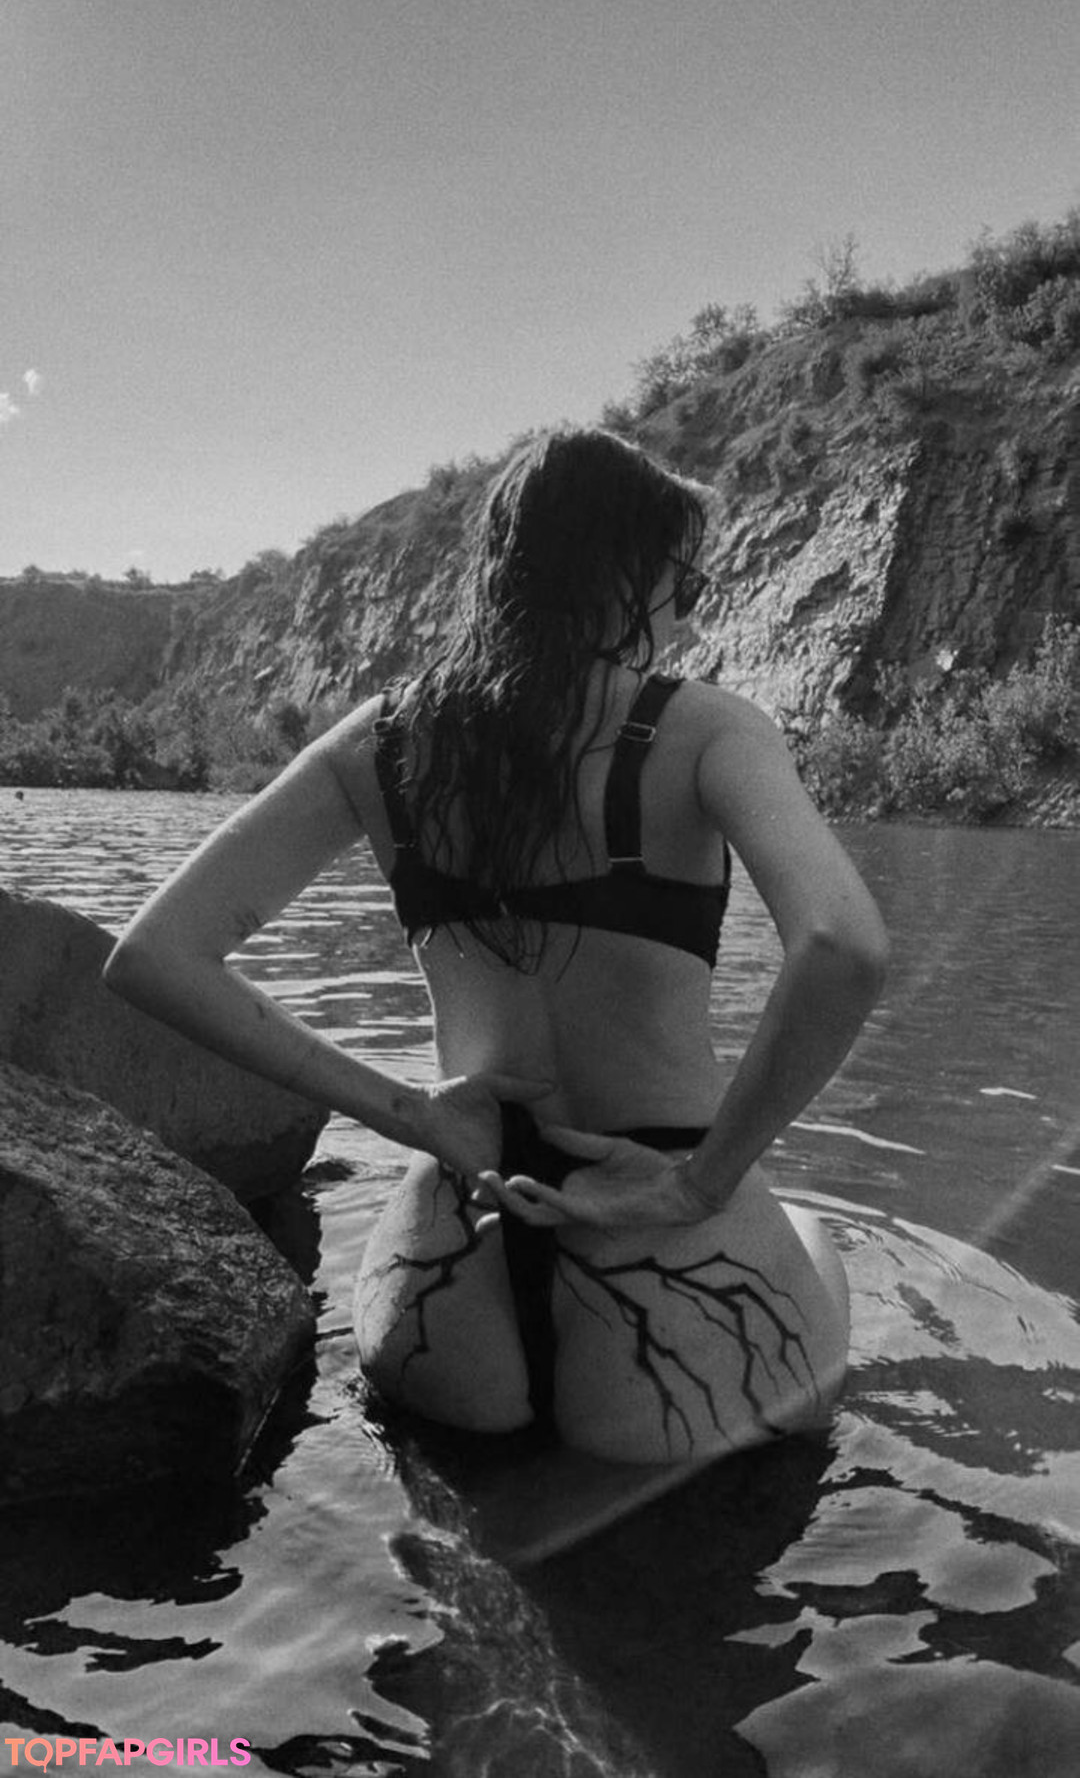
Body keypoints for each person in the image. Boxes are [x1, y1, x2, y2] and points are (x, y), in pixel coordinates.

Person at [105, 428, 887, 1467]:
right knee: (822, 1244)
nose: (690, 616)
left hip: (446, 1267)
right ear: (618, 576)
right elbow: (843, 947)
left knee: (454, 1496)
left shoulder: (380, 742)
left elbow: (154, 954)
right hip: (671, 1268)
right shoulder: (708, 731)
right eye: (685, 585)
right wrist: (702, 1185)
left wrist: (410, 1112)